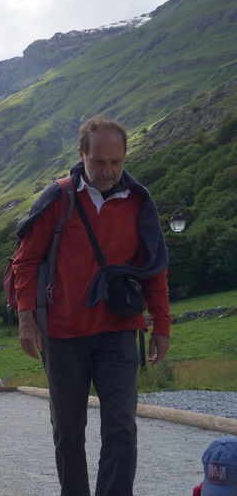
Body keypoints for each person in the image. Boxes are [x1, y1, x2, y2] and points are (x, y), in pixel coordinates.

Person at [13, 115, 170, 496]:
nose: (108, 171)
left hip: (119, 330)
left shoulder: (139, 201)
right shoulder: (58, 197)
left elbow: (154, 267)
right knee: (68, 430)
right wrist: (26, 317)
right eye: (99, 162)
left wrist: (161, 324)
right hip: (63, 334)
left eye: (116, 162)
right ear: (81, 154)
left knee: (121, 427)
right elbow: (25, 261)